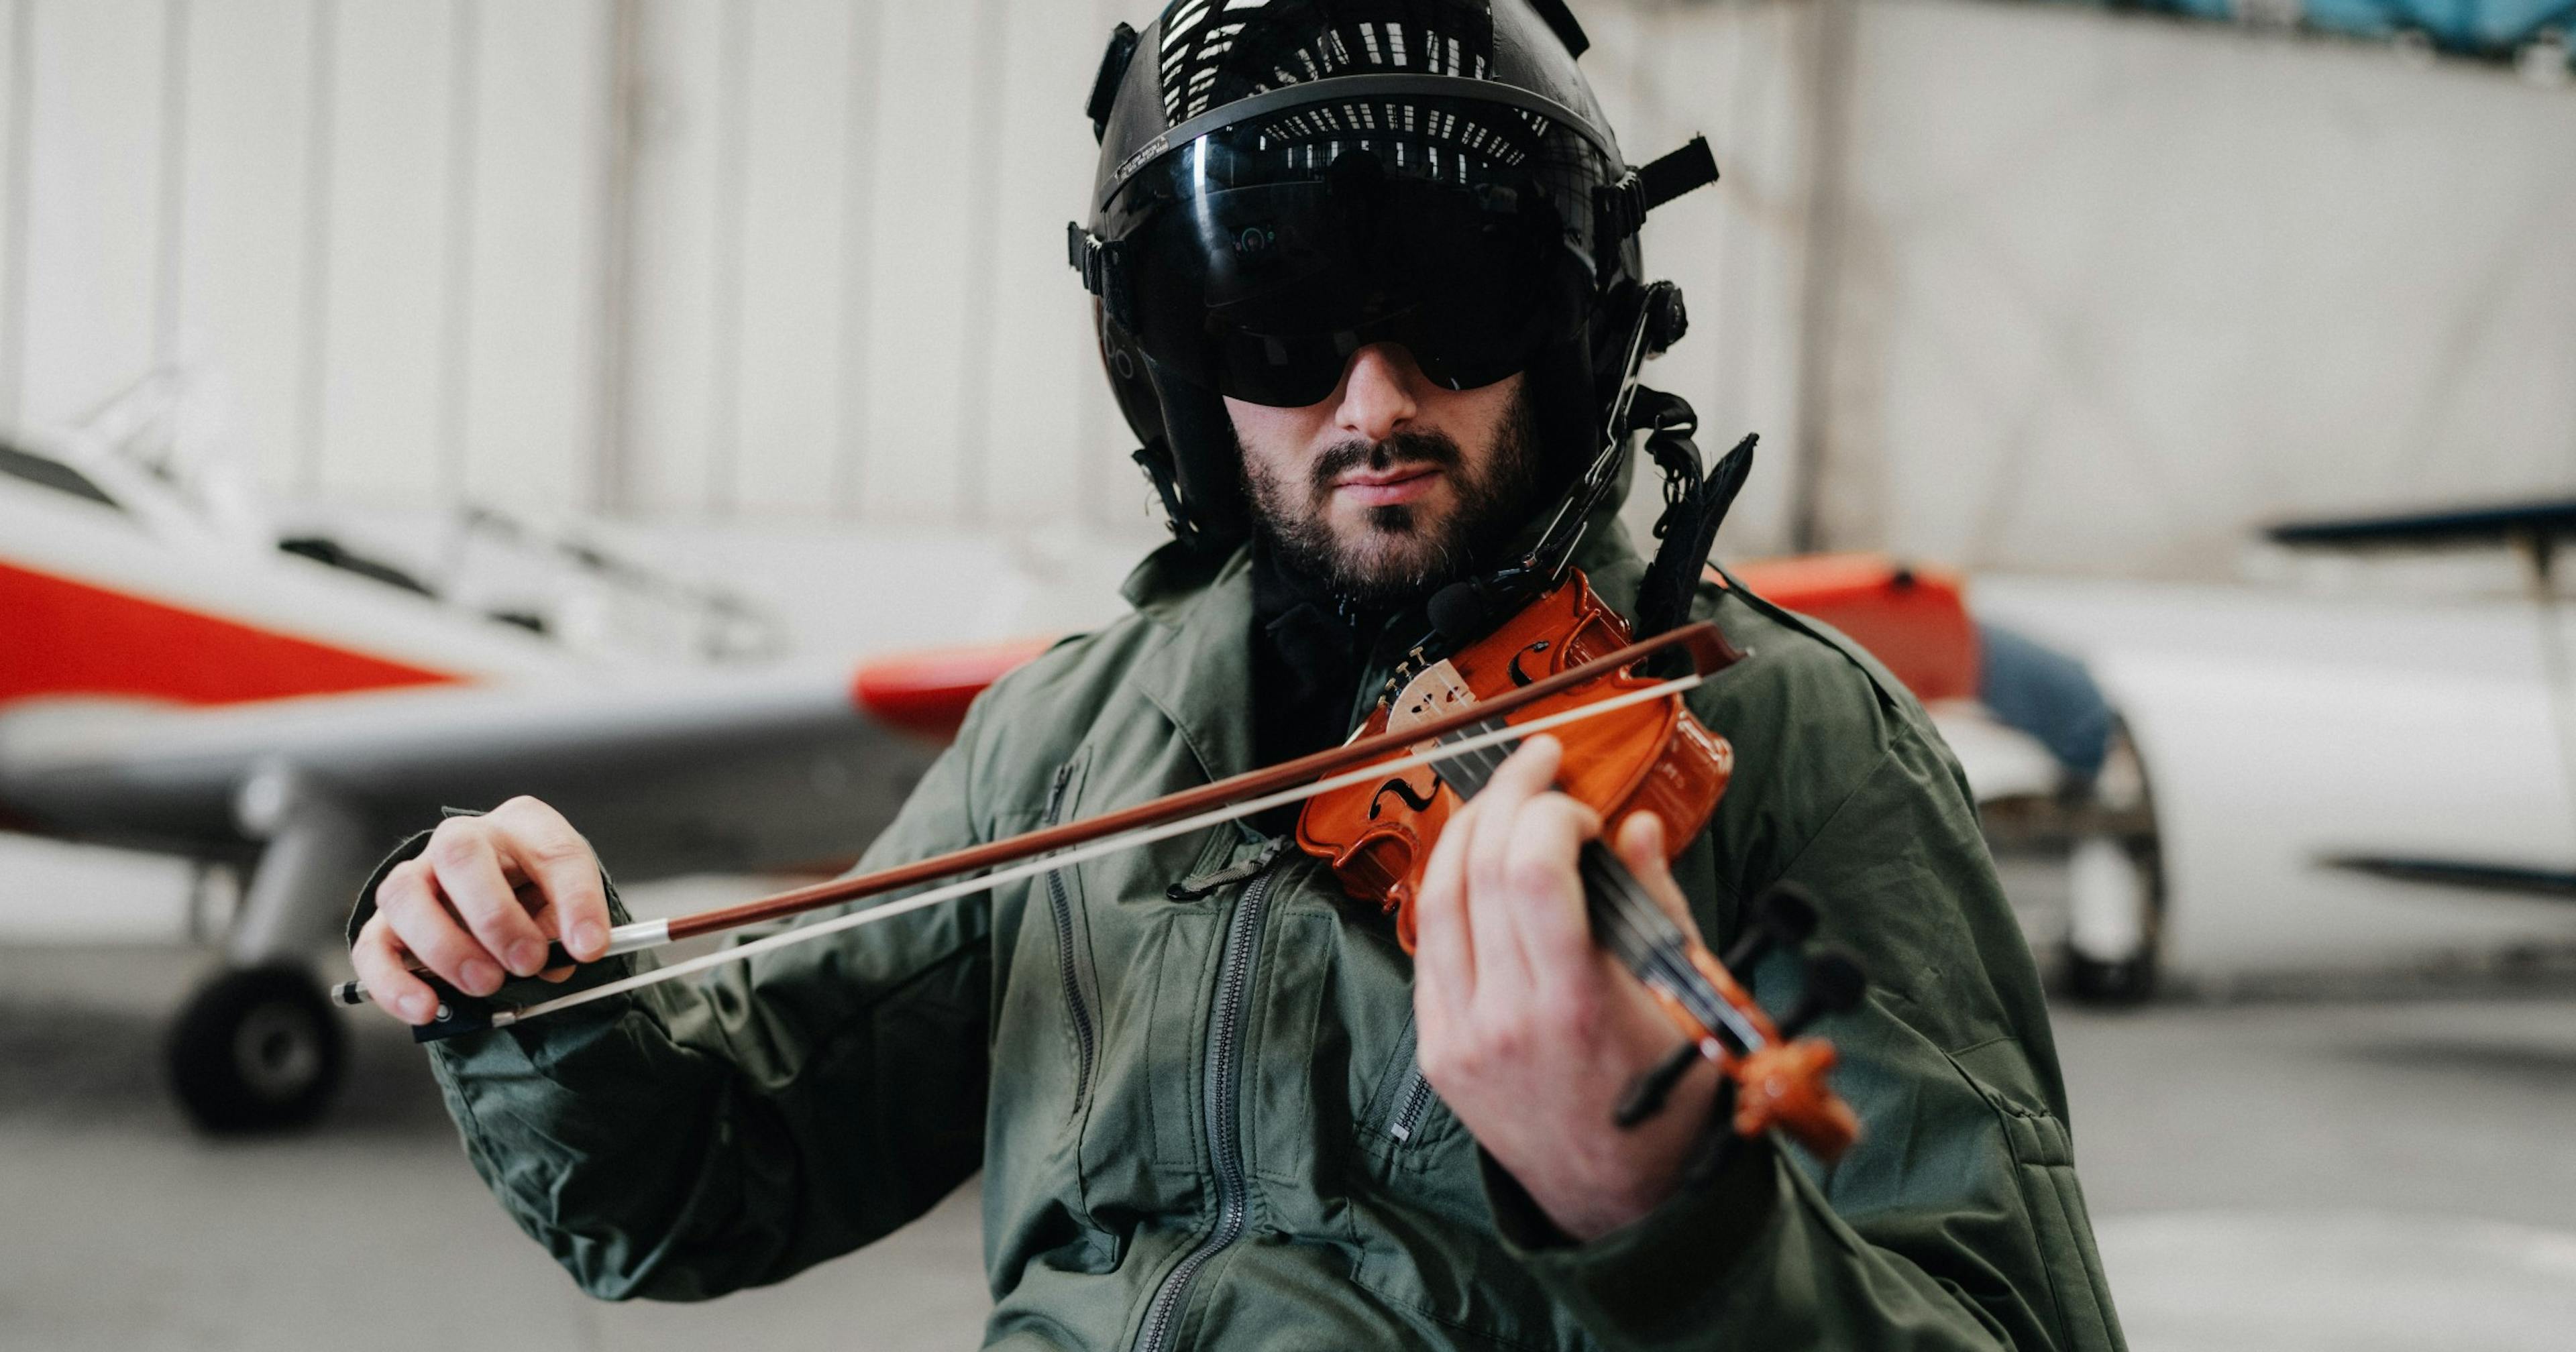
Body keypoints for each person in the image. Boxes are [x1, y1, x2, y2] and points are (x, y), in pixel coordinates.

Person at [347, 3, 2125, 1347]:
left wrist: (1666, 1209)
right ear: (1181, 373)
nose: (1371, 401)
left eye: (1457, 302)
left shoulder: (1786, 734)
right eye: (1276, 323)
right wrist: (515, 982)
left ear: (1575, 325)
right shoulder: (1064, 737)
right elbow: (706, 1179)